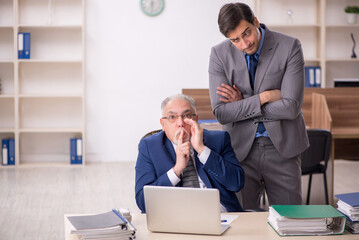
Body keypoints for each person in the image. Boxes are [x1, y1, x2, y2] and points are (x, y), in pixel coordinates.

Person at [208, 2, 309, 210]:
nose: (244, 44)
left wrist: (242, 105)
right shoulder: (219, 54)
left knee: (289, 220)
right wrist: (264, 97)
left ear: (255, 22)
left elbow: (290, 108)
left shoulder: (289, 46)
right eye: (235, 40)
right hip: (238, 151)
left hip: (283, 148)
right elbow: (221, 113)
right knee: (242, 224)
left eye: (247, 34)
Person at [135, 94, 245, 213]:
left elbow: (236, 184)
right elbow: (143, 202)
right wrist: (177, 170)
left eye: (186, 115)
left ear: (196, 120)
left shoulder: (219, 139)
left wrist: (202, 150)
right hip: (173, 217)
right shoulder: (149, 146)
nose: (180, 123)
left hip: (219, 214)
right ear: (163, 124)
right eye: (172, 117)